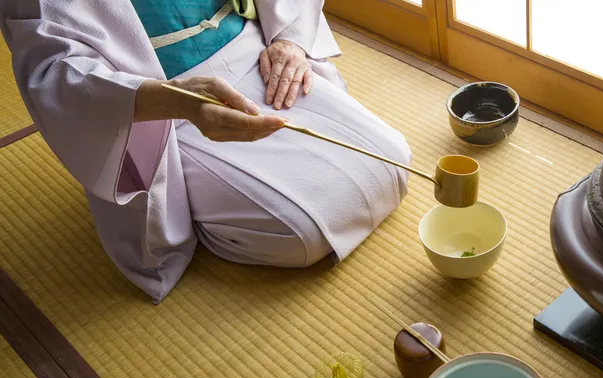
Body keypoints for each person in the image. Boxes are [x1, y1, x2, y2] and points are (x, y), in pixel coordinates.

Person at [0, 0, 412, 302]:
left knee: (394, 159)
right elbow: (53, 72)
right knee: (297, 232)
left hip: (254, 51)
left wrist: (291, 42)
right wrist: (178, 101)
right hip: (153, 95)